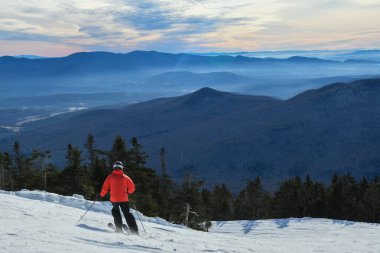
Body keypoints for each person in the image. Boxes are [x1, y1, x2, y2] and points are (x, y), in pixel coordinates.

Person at [99, 161, 139, 234]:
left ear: (114, 167)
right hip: (124, 199)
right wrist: (128, 192)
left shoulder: (110, 177)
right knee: (127, 214)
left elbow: (105, 188)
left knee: (116, 212)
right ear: (122, 168)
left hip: (114, 199)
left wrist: (101, 195)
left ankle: (119, 228)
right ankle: (134, 231)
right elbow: (132, 188)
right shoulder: (126, 177)